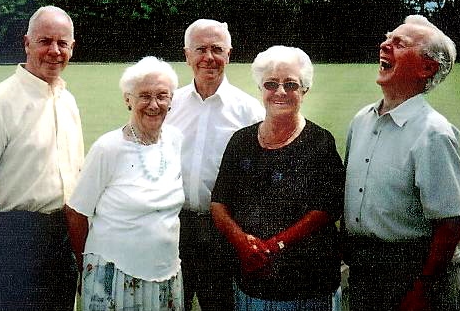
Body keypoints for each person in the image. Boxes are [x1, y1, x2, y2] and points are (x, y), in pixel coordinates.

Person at [0, 6, 83, 311]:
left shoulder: (66, 101)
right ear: (27, 43)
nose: (54, 51)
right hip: (10, 242)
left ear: (72, 48)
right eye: (45, 41)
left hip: (60, 240)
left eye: (62, 43)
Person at [343, 15, 460, 311]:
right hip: (365, 275)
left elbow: (450, 222)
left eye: (399, 43)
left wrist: (421, 291)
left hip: (413, 280)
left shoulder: (434, 134)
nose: (385, 44)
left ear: (427, 68)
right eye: (388, 38)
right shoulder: (361, 120)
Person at [211, 45, 346, 310]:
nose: (280, 92)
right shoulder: (241, 141)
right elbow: (219, 203)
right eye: (271, 84)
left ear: (305, 89)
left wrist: (275, 245)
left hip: (308, 288)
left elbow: (327, 209)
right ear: (260, 89)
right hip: (251, 285)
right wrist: (242, 242)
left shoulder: (320, 142)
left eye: (291, 84)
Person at [65, 56, 184, 311]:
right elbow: (76, 212)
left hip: (167, 275)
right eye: (144, 96)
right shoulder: (108, 148)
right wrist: (87, 267)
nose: (154, 104)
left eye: (162, 96)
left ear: (171, 101)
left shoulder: (175, 140)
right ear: (127, 100)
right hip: (115, 279)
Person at [164, 19, 265, 310]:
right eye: (201, 49)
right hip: (173, 227)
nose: (209, 57)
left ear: (229, 54)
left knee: (220, 304)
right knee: (171, 302)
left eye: (217, 49)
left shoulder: (250, 112)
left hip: (222, 232)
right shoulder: (169, 105)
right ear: (187, 55)